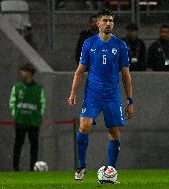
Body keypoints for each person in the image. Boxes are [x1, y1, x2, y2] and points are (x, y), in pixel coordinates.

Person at [68, 9, 133, 181]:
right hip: (93, 94)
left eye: (111, 20)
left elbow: (126, 75)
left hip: (112, 95)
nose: (108, 23)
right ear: (98, 23)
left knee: (114, 133)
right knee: (84, 126)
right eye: (105, 20)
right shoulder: (89, 43)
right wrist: (73, 92)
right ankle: (81, 166)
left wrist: (130, 101)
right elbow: (80, 71)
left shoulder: (120, 45)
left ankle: (110, 171)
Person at [9, 63, 46, 171]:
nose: (21, 73)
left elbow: (42, 104)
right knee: (17, 146)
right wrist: (16, 115)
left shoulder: (38, 89)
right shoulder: (17, 87)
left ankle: (32, 170)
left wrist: (38, 117)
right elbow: (12, 102)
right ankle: (15, 169)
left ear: (29, 73)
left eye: (24, 71)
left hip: (33, 123)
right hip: (20, 122)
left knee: (34, 148)